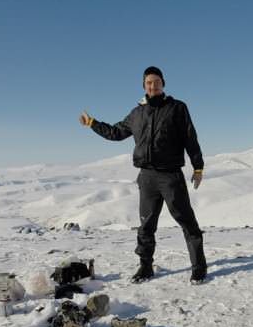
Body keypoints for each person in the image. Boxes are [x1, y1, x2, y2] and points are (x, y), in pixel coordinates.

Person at [79, 66, 208, 284]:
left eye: (157, 81)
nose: (153, 85)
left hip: (170, 176)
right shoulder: (137, 113)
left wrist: (198, 167)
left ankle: (199, 267)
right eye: (149, 82)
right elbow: (116, 132)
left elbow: (190, 138)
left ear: (163, 84)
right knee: (146, 225)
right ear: (144, 86)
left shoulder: (177, 108)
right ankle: (145, 267)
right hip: (146, 177)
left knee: (187, 221)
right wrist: (93, 123)